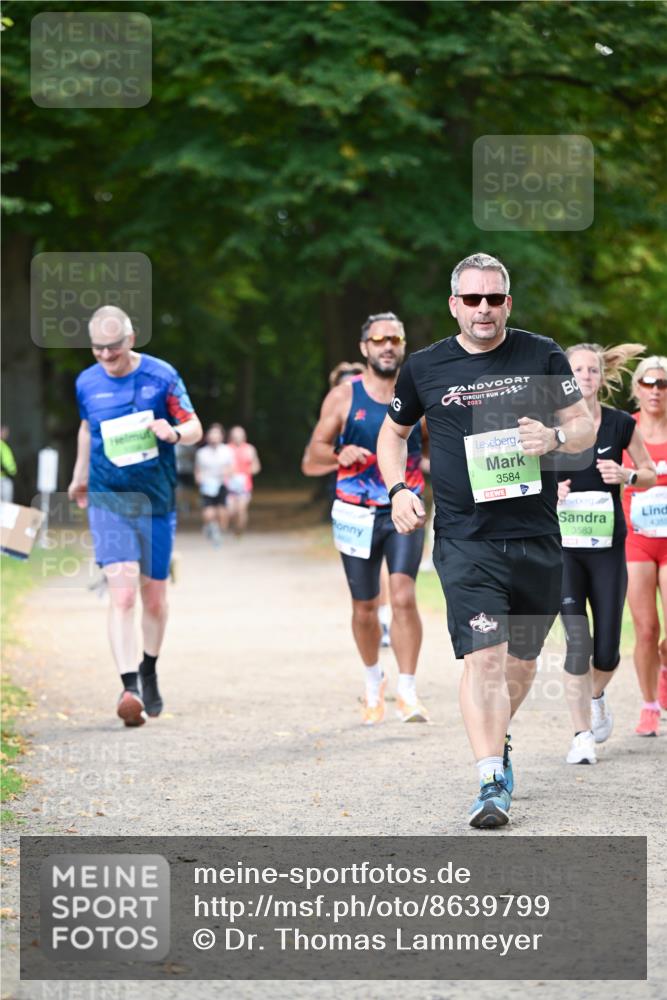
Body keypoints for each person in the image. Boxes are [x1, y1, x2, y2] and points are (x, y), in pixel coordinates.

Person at [378, 252, 595, 828]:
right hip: (466, 539)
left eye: (493, 299)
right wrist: (400, 489)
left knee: (521, 663)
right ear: (454, 304)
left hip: (537, 537)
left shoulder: (541, 353)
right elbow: (393, 435)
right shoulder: (425, 367)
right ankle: (489, 782)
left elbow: (584, 425)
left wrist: (551, 436)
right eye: (471, 299)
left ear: (507, 304)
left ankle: (498, 742)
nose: (483, 309)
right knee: (486, 659)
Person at [67, 306, 202, 727]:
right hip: (109, 498)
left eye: (113, 346)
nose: (106, 355)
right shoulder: (86, 382)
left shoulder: (162, 376)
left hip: (156, 500)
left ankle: (148, 668)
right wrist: (80, 475)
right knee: (122, 593)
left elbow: (194, 425)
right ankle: (129, 688)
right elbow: (88, 428)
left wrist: (174, 432)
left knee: (155, 596)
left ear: (132, 337)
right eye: (97, 348)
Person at [304, 312, 430, 725]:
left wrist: (429, 466)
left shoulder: (418, 393)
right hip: (355, 512)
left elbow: (433, 450)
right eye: (379, 339)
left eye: (395, 338)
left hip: (404, 509)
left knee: (404, 595)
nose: (388, 345)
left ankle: (407, 692)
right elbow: (311, 458)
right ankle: (373, 683)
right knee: (364, 607)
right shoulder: (343, 397)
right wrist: (339, 454)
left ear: (404, 345)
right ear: (365, 349)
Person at [557, 344, 655, 764]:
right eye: (577, 369)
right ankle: (581, 735)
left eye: (592, 369)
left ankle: (596, 694)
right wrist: (551, 489)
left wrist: (627, 474)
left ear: (602, 376)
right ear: (567, 376)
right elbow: (523, 475)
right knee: (577, 643)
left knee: (608, 650)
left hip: (607, 547)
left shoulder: (618, 424)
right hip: (565, 550)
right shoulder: (551, 425)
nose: (585, 375)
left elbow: (650, 472)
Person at [302, 361, 393, 647]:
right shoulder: (330, 428)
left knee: (384, 565)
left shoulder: (380, 416)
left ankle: (387, 620)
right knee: (365, 569)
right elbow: (309, 466)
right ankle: (372, 615)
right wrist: (338, 456)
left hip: (386, 499)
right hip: (348, 502)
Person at [622, 355, 667, 736]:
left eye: (662, 384)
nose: (655, 390)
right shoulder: (625, 429)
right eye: (649, 383)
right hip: (636, 540)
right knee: (646, 629)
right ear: (637, 388)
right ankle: (649, 704)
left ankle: (664, 667)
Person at [195, 423, 233, 545]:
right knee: (209, 511)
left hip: (221, 483)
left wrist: (226, 474)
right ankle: (209, 526)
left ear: (222, 436)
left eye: (217, 434)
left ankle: (220, 532)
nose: (214, 437)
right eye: (212, 434)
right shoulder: (201, 453)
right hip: (207, 485)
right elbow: (198, 470)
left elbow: (231, 468)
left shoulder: (227, 451)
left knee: (222, 511)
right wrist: (199, 479)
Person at [226, 426, 261, 536]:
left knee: (241, 510)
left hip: (244, 485)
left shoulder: (250, 449)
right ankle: (234, 526)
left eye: (240, 435)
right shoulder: (226, 449)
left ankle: (240, 530)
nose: (237, 437)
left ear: (244, 436)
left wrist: (247, 471)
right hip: (229, 485)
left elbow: (256, 466)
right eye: (235, 435)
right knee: (231, 511)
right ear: (231, 436)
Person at [0, 426, 17, 502]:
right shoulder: (3, 446)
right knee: (6, 506)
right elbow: (10, 466)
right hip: (3, 480)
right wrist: (13, 471)